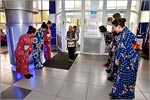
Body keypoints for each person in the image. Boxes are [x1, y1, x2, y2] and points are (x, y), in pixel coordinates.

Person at [109, 18, 139, 99]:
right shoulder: (128, 33)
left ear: (118, 26)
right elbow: (137, 47)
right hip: (132, 60)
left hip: (128, 61)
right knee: (123, 78)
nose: (113, 29)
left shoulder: (124, 35)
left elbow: (123, 49)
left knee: (125, 79)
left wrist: (117, 59)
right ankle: (117, 93)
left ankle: (122, 96)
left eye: (114, 27)